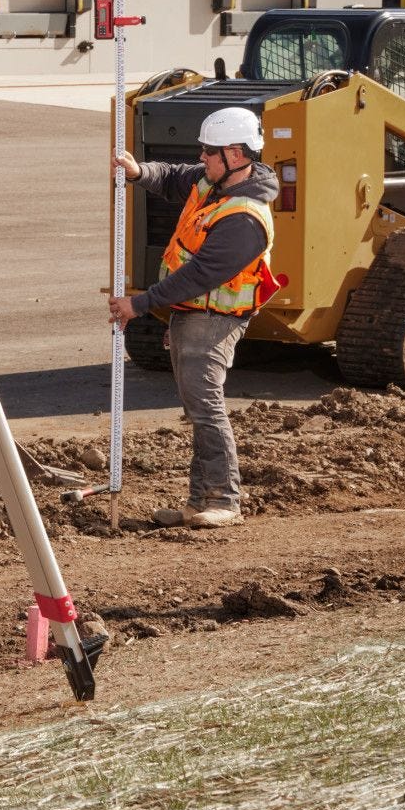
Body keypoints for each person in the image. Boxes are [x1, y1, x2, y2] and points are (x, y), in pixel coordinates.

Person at [108, 106, 281, 529]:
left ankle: (224, 499)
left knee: (206, 410)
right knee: (197, 410)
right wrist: (137, 171)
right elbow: (171, 177)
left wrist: (141, 303)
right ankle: (198, 502)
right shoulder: (212, 182)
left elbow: (203, 274)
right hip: (191, 316)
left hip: (215, 320)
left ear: (236, 155)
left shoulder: (244, 216)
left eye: (209, 152)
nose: (201, 158)